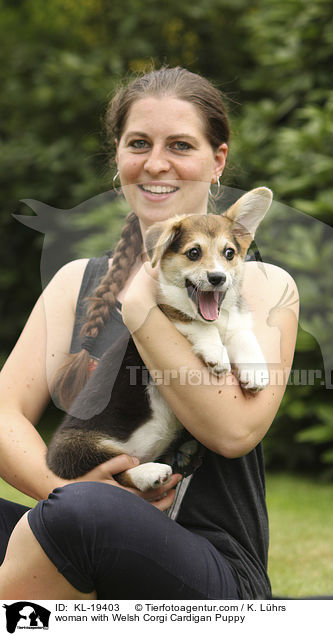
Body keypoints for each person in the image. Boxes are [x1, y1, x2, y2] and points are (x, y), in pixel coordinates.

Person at [0, 66, 298, 600]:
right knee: (85, 512)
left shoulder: (262, 285)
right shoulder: (77, 282)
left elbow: (232, 432)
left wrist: (141, 305)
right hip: (82, 517)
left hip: (211, 566)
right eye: (139, 143)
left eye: (180, 145)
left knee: (87, 515)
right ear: (119, 156)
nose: (156, 163)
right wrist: (64, 491)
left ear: (217, 161)